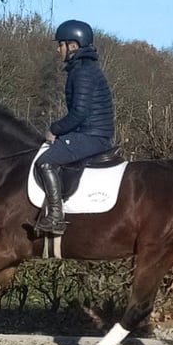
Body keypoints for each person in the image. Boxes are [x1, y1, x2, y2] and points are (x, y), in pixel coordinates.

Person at [35, 19, 115, 236]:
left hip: (91, 135)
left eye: (61, 44)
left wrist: (55, 129)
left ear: (73, 45)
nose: (58, 49)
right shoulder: (83, 68)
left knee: (45, 162)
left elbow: (79, 113)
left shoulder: (82, 72)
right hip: (90, 132)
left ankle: (54, 218)